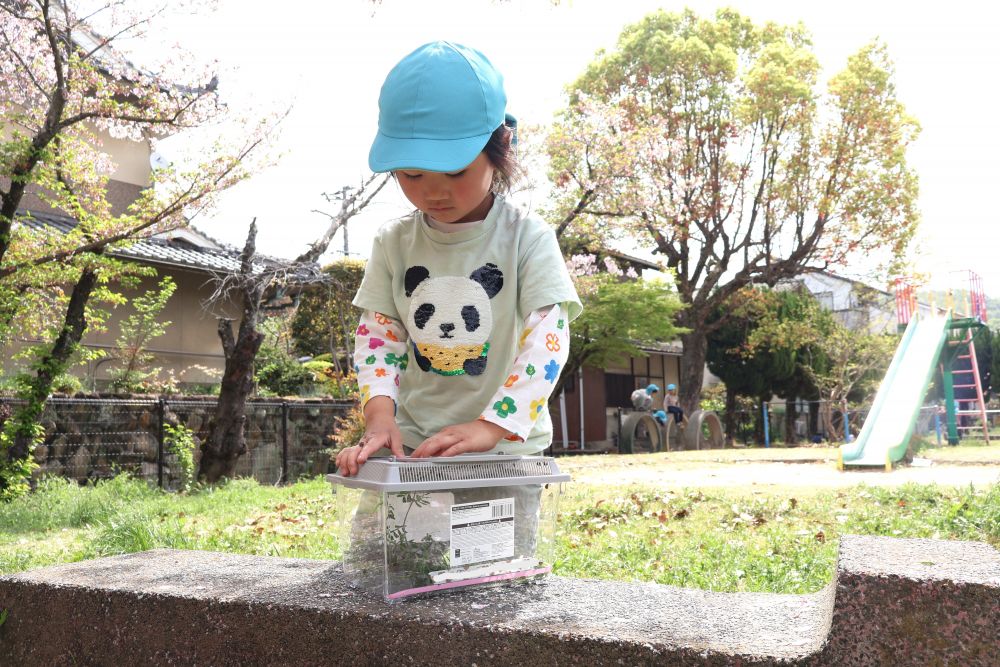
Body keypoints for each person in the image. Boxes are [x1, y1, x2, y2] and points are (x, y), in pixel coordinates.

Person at [336, 41, 582, 476]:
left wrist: (493, 425)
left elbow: (547, 342)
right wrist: (379, 419)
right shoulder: (394, 243)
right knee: (389, 547)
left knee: (504, 548)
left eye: (455, 172)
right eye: (412, 174)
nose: (434, 192)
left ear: (499, 149)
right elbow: (379, 339)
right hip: (415, 445)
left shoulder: (527, 238)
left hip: (508, 450)